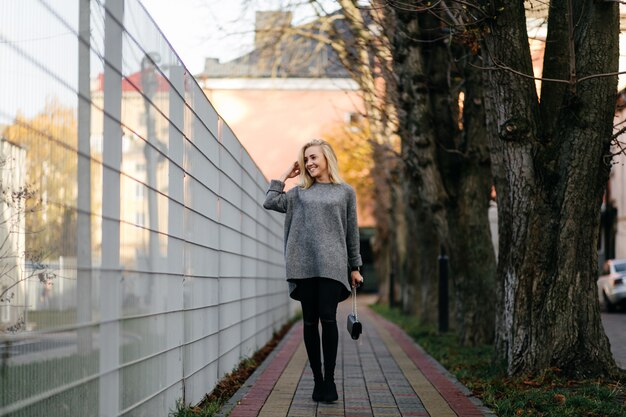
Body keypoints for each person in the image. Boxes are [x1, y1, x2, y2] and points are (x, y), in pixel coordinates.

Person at [263, 139, 364, 403]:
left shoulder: (345, 192)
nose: (309, 163)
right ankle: (317, 380)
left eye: (313, 157)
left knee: (328, 320)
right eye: (306, 159)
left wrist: (355, 267)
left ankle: (329, 381)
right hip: (302, 264)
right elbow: (270, 202)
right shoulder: (298, 193)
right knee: (309, 322)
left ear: (327, 157)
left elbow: (352, 232)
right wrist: (285, 175)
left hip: (332, 266)